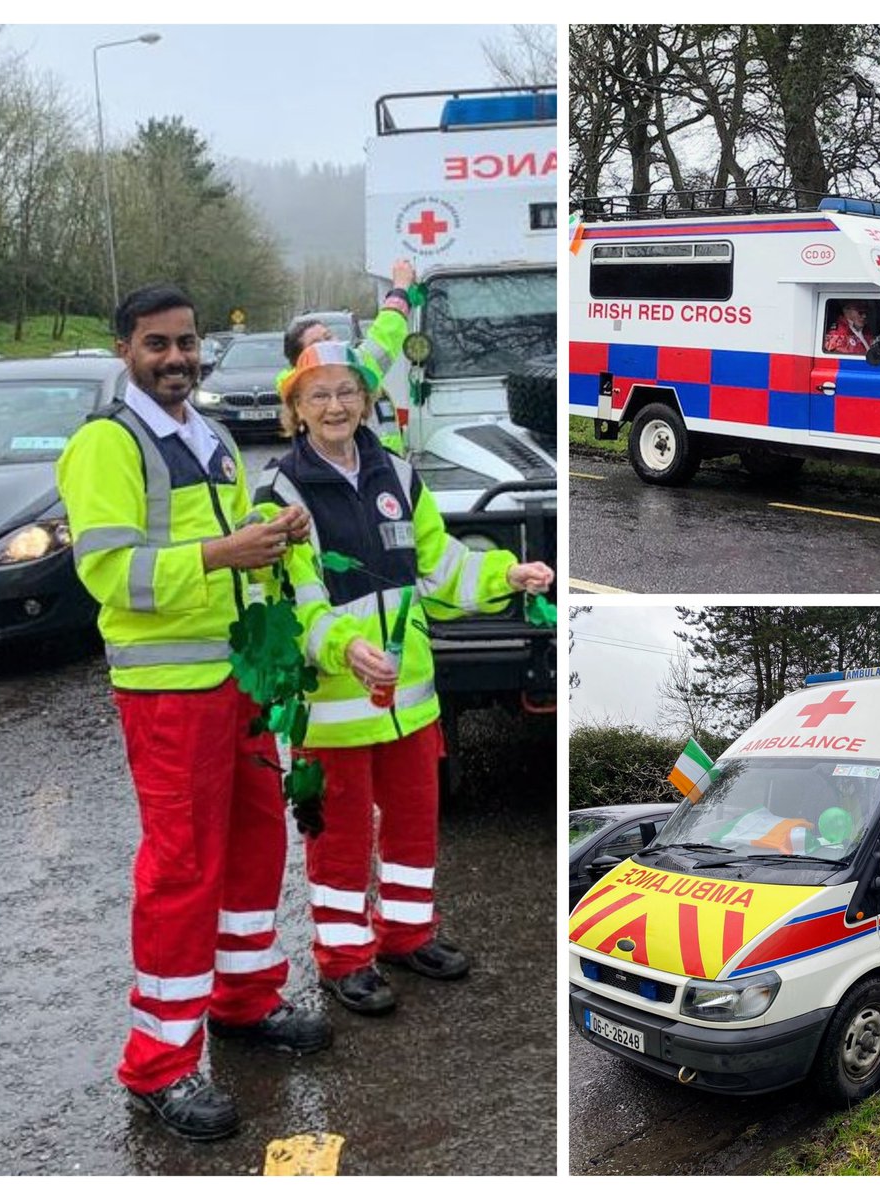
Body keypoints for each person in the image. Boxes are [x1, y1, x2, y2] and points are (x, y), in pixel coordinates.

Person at [56, 283, 331, 1142]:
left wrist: (270, 532)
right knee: (181, 872)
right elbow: (110, 574)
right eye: (156, 344)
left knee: (255, 843)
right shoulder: (107, 444)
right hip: (169, 695)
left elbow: (228, 538)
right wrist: (223, 552)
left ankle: (243, 998)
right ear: (125, 350)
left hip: (238, 680)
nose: (176, 358)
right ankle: (159, 1063)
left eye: (186, 342)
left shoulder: (208, 436)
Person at [256, 339, 553, 1016]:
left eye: (346, 391)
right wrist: (344, 648)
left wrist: (506, 574)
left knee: (415, 824)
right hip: (334, 706)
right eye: (318, 395)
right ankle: (344, 958)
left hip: (410, 699)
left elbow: (440, 565)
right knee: (339, 835)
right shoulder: (280, 493)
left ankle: (407, 934)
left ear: (366, 400)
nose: (335, 406)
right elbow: (290, 603)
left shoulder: (397, 472)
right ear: (296, 409)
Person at [282, 260, 415, 455]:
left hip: (387, 467)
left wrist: (401, 289)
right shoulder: (301, 393)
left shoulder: (360, 364)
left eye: (328, 336)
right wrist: (401, 286)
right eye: (317, 343)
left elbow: (387, 332)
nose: (335, 407)